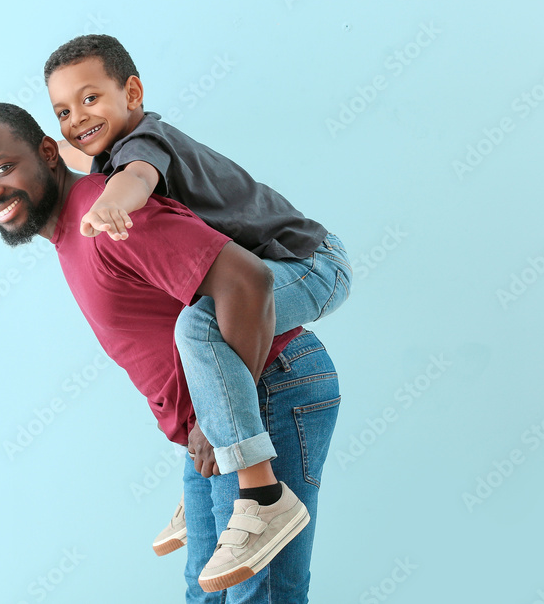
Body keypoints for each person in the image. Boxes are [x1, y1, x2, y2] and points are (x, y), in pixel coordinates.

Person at [0, 103, 342, 600]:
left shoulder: (108, 215)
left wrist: (210, 423)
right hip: (217, 409)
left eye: (2, 169)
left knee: (255, 594)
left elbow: (248, 282)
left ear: (46, 153)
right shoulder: (73, 225)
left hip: (270, 384)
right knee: (209, 592)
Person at [43, 35, 352, 583]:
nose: (75, 119)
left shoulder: (144, 142)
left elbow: (137, 178)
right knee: (200, 330)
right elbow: (64, 152)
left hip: (312, 263)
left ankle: (260, 495)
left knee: (199, 324)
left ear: (133, 92)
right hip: (286, 266)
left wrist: (114, 199)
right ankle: (213, 488)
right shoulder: (103, 150)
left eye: (89, 100)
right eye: (63, 111)